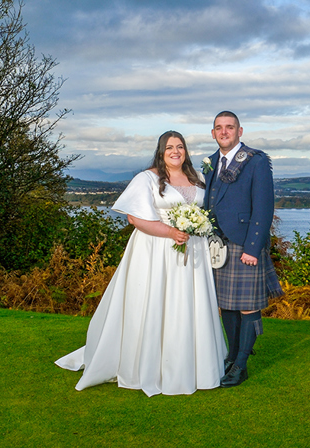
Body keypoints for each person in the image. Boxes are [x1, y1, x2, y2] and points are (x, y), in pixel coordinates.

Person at [55, 131, 227, 396]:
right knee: (154, 300)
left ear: (186, 151)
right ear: (161, 151)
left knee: (188, 303)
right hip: (156, 249)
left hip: (194, 250)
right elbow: (134, 219)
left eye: (180, 147)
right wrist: (171, 232)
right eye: (169, 147)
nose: (175, 151)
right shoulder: (146, 178)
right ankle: (150, 364)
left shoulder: (200, 178)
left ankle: (193, 365)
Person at [203, 111, 284, 387]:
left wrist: (253, 246)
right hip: (218, 246)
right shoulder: (210, 162)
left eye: (229, 127)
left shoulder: (255, 160)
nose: (224, 132)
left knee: (248, 307)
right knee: (226, 305)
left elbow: (264, 205)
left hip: (244, 244)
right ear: (213, 133)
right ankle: (231, 357)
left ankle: (241, 364)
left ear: (240, 131)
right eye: (219, 128)